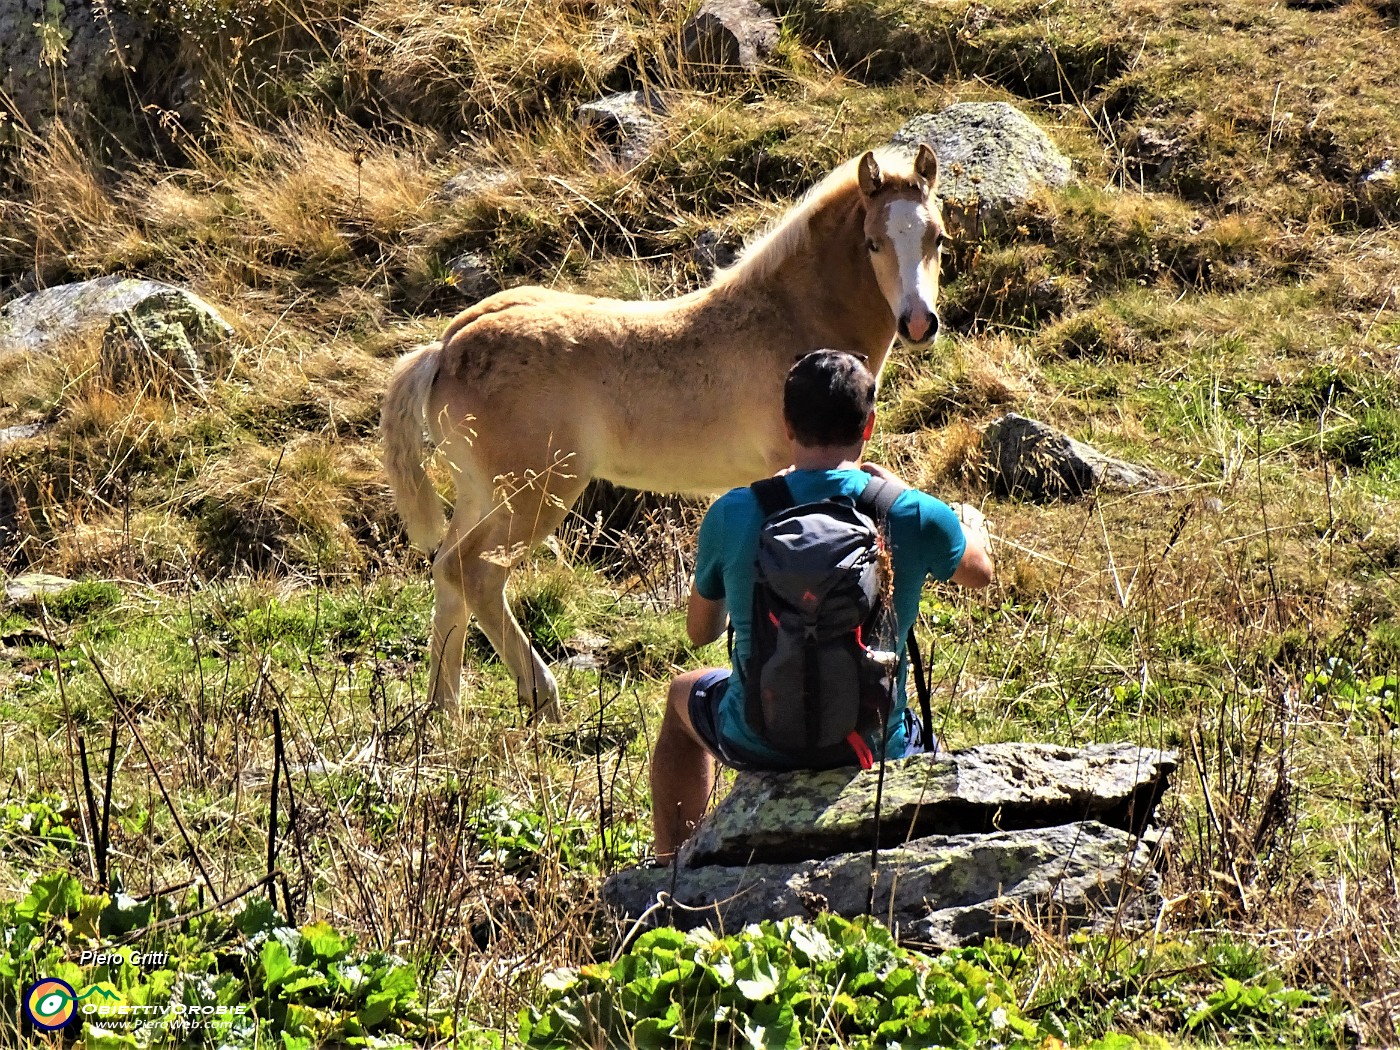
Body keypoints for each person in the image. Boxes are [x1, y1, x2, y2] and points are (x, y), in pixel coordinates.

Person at [650, 349, 995, 859]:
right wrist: (908, 494)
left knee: (683, 694)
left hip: (757, 741)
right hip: (874, 751)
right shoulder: (910, 511)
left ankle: (674, 866)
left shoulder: (734, 511)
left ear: (787, 425)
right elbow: (980, 573)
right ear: (870, 425)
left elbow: (699, 633)